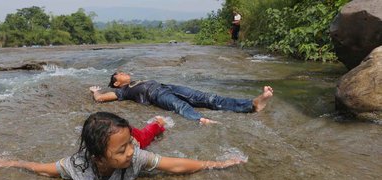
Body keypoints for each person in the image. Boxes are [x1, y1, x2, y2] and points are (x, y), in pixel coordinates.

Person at [0, 112, 244, 180]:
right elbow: (44, 169)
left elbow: (175, 165)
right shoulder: (76, 165)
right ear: (98, 157)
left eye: (129, 144)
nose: (131, 152)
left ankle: (158, 123)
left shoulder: (135, 157)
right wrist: (14, 163)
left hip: (137, 140)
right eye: (123, 149)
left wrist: (217, 164)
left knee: (148, 136)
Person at [90, 72, 273, 124]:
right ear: (116, 83)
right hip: (156, 95)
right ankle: (201, 120)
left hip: (167, 87)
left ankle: (252, 104)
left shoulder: (135, 81)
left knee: (208, 98)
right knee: (180, 106)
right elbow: (100, 99)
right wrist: (95, 91)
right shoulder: (121, 92)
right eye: (120, 74)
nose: (124, 73)